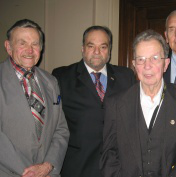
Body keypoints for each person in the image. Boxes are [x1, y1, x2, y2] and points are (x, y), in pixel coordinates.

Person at [100, 29, 176, 177]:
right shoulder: (115, 103)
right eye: (141, 59)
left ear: (166, 64)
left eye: (154, 58)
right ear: (134, 64)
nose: (147, 66)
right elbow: (108, 155)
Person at [52, 26, 135, 177]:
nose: (97, 52)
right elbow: (53, 125)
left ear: (109, 50)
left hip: (117, 168)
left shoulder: (126, 77)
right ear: (82, 48)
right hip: (77, 167)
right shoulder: (61, 77)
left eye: (103, 46)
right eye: (91, 46)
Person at [0, 19, 69, 177]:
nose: (29, 50)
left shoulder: (51, 81)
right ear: (8, 47)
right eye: (22, 43)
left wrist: (47, 165)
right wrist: (29, 172)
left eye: (35, 44)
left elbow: (61, 129)